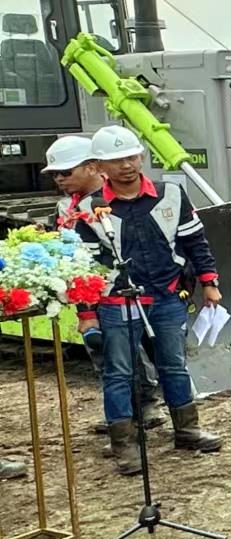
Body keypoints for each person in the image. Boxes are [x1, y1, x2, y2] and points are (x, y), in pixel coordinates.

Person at [74, 125, 223, 474]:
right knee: (119, 373)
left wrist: (209, 282)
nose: (126, 165)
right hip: (117, 303)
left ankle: (187, 429)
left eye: (131, 156)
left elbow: (195, 242)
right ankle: (124, 445)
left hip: (167, 296)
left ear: (141, 156)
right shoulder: (89, 208)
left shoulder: (171, 194)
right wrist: (86, 312)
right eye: (116, 160)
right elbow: (83, 268)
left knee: (174, 364)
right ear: (99, 167)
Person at [45, 133, 165, 434]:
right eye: (55, 174)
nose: (59, 179)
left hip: (121, 291)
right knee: (102, 353)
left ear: (91, 167)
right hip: (87, 293)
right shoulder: (66, 206)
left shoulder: (112, 202)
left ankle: (145, 406)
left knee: (130, 353)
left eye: (65, 172)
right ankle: (121, 414)